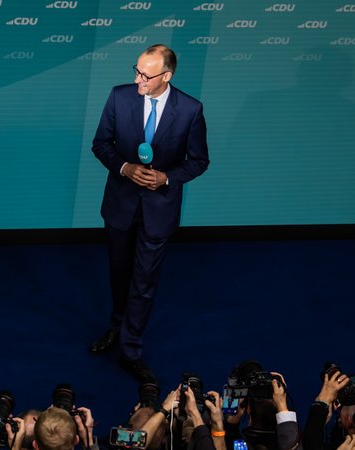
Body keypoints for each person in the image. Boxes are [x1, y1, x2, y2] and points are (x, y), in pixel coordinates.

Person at [89, 44, 209, 382]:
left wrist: (166, 177)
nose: (137, 79)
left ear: (166, 76)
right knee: (119, 272)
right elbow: (101, 144)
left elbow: (199, 161)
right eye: (136, 70)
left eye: (146, 74)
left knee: (144, 280)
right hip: (120, 205)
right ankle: (117, 325)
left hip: (159, 210)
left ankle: (130, 348)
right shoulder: (119, 97)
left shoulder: (190, 109)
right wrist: (125, 167)